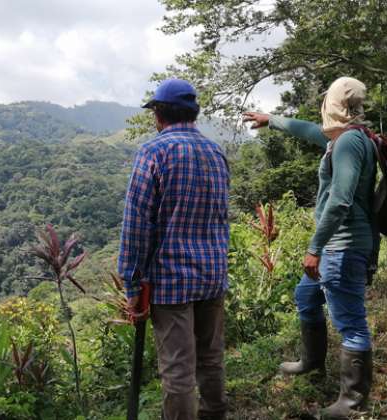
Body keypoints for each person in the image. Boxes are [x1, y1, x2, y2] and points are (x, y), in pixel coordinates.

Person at [243, 77, 377, 419]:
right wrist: (269, 119)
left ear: (332, 105)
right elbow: (307, 131)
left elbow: (340, 200)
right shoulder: (346, 138)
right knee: (306, 296)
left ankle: (351, 403)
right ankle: (313, 363)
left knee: (351, 324)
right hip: (339, 246)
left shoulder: (348, 143)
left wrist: (315, 247)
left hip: (342, 247)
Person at [118, 78, 230, 420]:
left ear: (159, 114)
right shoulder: (215, 152)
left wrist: (132, 285)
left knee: (178, 370)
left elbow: (137, 226)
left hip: (171, 281)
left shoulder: (153, 152)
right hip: (212, 274)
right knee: (210, 357)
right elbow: (222, 215)